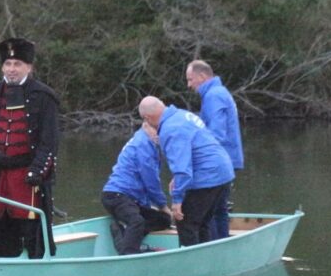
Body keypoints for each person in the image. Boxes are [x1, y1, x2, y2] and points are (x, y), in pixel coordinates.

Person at [0, 37, 60, 259]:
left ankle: (32, 268)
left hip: (28, 178)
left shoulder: (44, 97)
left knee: (30, 231)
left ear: (29, 67)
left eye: (17, 64)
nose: (12, 69)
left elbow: (49, 143)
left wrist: (36, 172)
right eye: (8, 64)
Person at [140, 95, 234, 247]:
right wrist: (177, 179)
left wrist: (177, 200)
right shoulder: (182, 115)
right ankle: (207, 258)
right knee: (203, 221)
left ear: (147, 118)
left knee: (184, 221)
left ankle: (191, 264)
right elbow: (194, 151)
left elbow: (182, 169)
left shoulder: (170, 129)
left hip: (208, 176)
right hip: (223, 171)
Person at [186, 60, 243, 240]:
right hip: (227, 159)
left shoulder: (213, 96)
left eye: (190, 79)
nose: (189, 85)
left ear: (202, 76)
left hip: (217, 161)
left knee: (209, 210)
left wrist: (198, 157)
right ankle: (222, 243)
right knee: (220, 209)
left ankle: (213, 246)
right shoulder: (219, 92)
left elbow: (216, 133)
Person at [101, 120, 171, 254]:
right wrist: (162, 206)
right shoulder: (143, 145)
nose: (159, 134)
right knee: (136, 221)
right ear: (145, 125)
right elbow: (150, 181)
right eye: (156, 129)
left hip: (130, 198)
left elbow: (141, 183)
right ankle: (128, 253)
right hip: (116, 195)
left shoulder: (148, 143)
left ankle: (125, 235)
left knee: (163, 220)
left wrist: (149, 205)